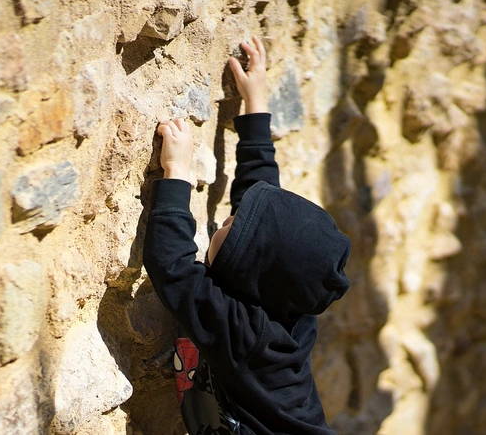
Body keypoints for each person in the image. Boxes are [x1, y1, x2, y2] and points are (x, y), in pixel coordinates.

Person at [143, 36, 352, 434]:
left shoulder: (245, 335)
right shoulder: (284, 295)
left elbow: (171, 266)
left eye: (234, 227)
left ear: (251, 270)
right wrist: (256, 103)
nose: (227, 218)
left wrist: (177, 173)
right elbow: (261, 201)